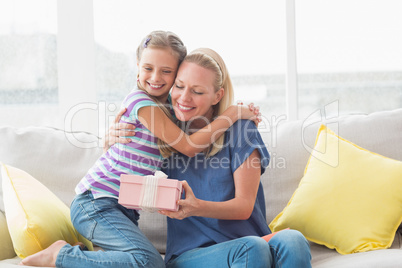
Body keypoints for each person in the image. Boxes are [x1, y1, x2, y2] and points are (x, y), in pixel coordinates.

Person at [21, 31, 259, 268]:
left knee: (141, 261)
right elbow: (187, 146)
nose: (156, 77)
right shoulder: (141, 103)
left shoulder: (168, 109)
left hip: (122, 210)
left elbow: (189, 129)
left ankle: (82, 255)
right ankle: (60, 255)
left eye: (167, 72)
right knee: (150, 263)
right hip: (96, 203)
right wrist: (231, 114)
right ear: (137, 67)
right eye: (148, 68)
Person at [108, 48, 312, 267]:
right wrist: (109, 139)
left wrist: (197, 206)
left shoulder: (242, 130)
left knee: (293, 240)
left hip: (252, 242)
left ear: (217, 95)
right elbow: (121, 169)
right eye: (179, 86)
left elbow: (244, 206)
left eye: (197, 91)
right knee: (252, 248)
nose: (184, 97)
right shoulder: (165, 135)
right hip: (191, 254)